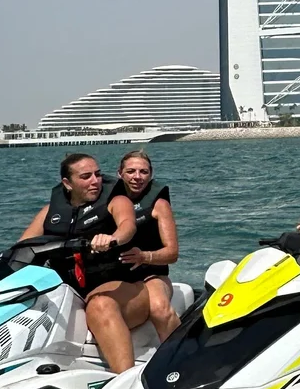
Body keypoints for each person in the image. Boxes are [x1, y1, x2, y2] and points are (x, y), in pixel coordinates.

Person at [20, 153, 148, 373]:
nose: (95, 181)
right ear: (67, 183)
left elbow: (127, 227)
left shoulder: (116, 201)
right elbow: (22, 247)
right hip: (71, 293)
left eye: (98, 174)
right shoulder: (50, 212)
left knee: (99, 305)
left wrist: (111, 238)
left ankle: (125, 381)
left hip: (124, 289)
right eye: (86, 176)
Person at [113, 150, 180, 341]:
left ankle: (180, 352)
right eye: (131, 171)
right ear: (120, 173)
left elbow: (172, 253)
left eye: (144, 172)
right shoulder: (108, 200)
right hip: (116, 275)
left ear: (151, 174)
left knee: (159, 309)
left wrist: (144, 257)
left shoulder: (159, 204)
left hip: (152, 275)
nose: (137, 177)